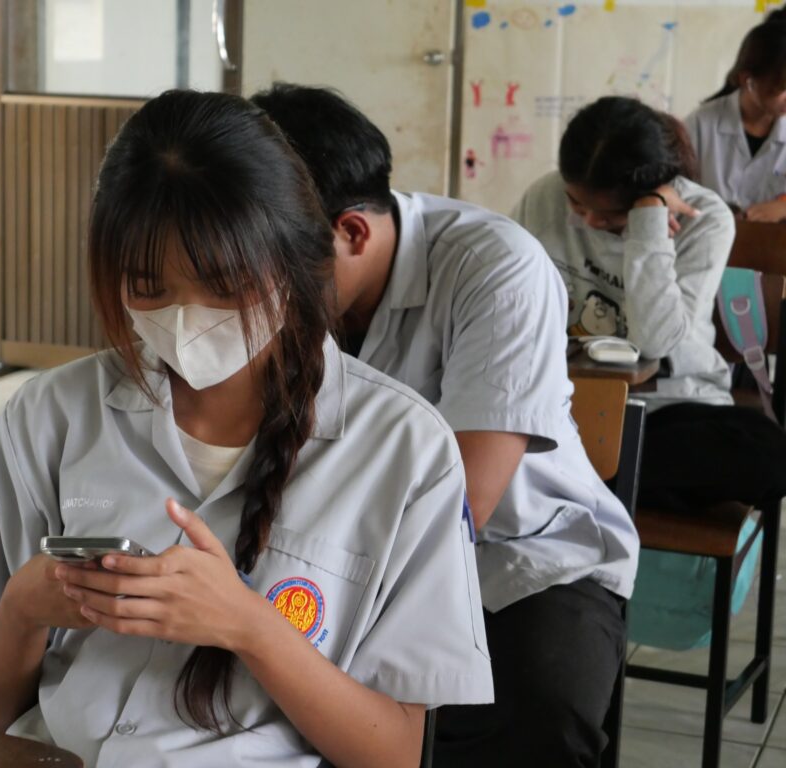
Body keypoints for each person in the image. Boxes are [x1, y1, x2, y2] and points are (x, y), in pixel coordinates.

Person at [0, 90, 493, 768]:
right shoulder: (51, 415)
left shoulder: (403, 448)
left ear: (293, 263)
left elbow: (394, 753)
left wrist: (249, 627)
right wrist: (22, 609)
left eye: (225, 284)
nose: (186, 318)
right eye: (148, 287)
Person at [252, 83, 638, 768]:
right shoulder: (276, 284)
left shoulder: (496, 267)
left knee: (536, 715)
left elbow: (466, 507)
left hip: (518, 561)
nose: (257, 289)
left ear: (351, 233)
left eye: (273, 266)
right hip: (331, 553)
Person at [514, 95, 786, 517]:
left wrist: (648, 226)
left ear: (653, 193)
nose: (588, 221)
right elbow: (507, 298)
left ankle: (575, 478)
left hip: (667, 406)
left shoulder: (706, 219)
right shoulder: (545, 195)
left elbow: (656, 341)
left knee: (768, 455)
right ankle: (601, 480)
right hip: (567, 402)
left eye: (609, 216)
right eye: (576, 204)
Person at [685, 19, 786, 220]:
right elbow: (674, 192)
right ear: (747, 80)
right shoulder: (700, 125)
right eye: (780, 89)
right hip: (708, 236)